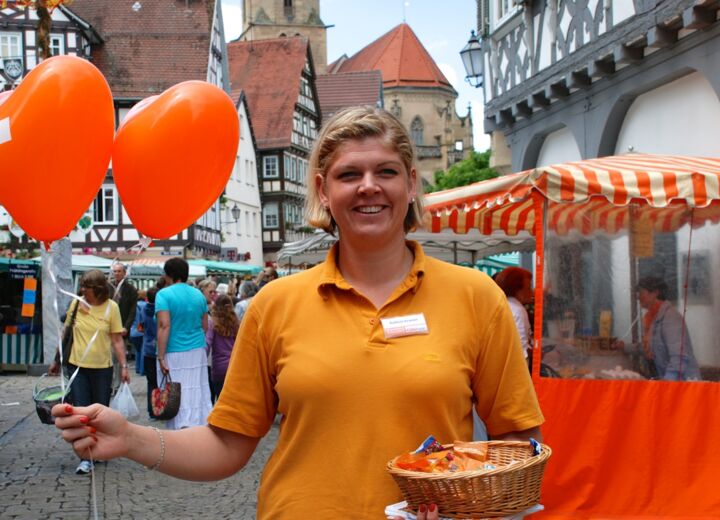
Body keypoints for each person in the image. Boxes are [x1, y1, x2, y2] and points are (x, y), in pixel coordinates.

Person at [52, 107, 543, 518]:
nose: (368, 186)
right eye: (349, 174)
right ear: (324, 192)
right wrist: (131, 439)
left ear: (411, 184)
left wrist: (473, 507)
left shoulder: (475, 296)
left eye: (386, 172)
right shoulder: (275, 304)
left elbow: (516, 441)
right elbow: (227, 445)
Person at [48, 269, 129, 475]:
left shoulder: (112, 308)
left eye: (86, 286)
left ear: (98, 288)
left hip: (102, 368)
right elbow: (65, 333)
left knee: (100, 412)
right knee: (81, 412)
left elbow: (117, 340)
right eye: (82, 285)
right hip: (77, 367)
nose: (82, 289)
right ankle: (86, 457)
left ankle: (99, 448)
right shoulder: (76, 303)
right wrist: (56, 359)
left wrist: (125, 366)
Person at [155, 258, 212, 429]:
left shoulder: (163, 295)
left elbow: (164, 326)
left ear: (168, 275)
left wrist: (160, 355)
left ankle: (180, 427)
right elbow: (204, 325)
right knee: (197, 390)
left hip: (174, 350)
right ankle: (199, 425)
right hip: (197, 349)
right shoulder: (198, 295)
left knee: (175, 392)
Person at [617, 276, 700, 381]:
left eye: (642, 292)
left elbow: (679, 357)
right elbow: (651, 347)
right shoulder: (654, 317)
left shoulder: (670, 318)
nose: (638, 297)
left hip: (683, 386)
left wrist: (665, 384)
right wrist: (625, 347)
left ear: (655, 293)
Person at [206, 294, 240, 400]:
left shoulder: (213, 323)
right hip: (234, 367)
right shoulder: (236, 323)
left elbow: (207, 343)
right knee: (231, 400)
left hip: (218, 368)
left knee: (219, 398)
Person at [110, 262, 138, 391]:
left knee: (119, 358)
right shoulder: (108, 287)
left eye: (119, 271)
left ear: (124, 273)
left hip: (121, 329)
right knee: (109, 357)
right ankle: (109, 384)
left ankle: (117, 384)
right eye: (114, 271)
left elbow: (132, 311)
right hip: (108, 328)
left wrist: (126, 327)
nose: (116, 274)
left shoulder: (130, 289)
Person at [495, 267, 534, 357]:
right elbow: (521, 348)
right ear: (516, 290)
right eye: (528, 288)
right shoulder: (518, 310)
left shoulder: (502, 304)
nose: (531, 292)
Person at [141, 285, 160, 419]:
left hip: (147, 349)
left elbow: (141, 326)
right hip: (160, 349)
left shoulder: (143, 309)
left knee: (151, 382)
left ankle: (151, 411)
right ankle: (160, 408)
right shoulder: (161, 311)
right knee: (161, 382)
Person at [129, 289, 147, 375]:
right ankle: (142, 370)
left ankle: (137, 368)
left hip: (133, 332)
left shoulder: (133, 306)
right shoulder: (145, 305)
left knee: (137, 350)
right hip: (141, 332)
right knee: (142, 351)